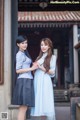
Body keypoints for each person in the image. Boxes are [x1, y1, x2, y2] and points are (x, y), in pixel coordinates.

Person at [31, 38, 56, 120]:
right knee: (39, 101)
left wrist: (41, 68)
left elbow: (52, 72)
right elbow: (34, 68)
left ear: (49, 46)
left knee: (46, 100)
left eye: (45, 45)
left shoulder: (52, 57)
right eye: (42, 45)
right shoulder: (39, 57)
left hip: (45, 80)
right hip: (37, 80)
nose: (43, 47)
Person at [12, 35, 37, 120]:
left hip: (27, 80)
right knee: (23, 108)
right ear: (18, 44)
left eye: (26, 42)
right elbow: (17, 70)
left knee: (24, 108)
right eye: (22, 43)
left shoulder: (24, 53)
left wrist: (33, 66)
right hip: (23, 81)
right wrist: (31, 68)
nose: (25, 45)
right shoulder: (19, 54)